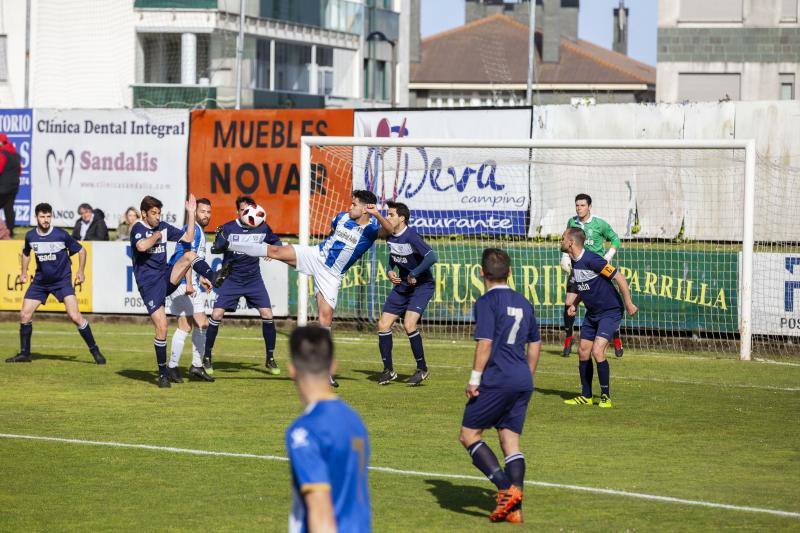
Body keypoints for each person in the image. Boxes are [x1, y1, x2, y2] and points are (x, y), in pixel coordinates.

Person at [213, 190, 393, 387]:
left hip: (331, 275)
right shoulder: (341, 218)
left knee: (325, 320)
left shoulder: (371, 229)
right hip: (315, 255)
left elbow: (390, 231)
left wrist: (376, 214)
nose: (350, 207)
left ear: (366, 208)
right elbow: (333, 236)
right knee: (275, 251)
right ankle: (227, 243)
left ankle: (324, 371)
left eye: (354, 204)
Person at [459, 248, 541, 524]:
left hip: (497, 379)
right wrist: (527, 375)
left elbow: (485, 343)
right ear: (510, 273)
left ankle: (506, 489)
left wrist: (474, 379)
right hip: (521, 379)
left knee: (469, 435)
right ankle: (514, 510)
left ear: (481, 273)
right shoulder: (523, 301)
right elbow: (536, 343)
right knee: (510, 441)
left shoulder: (485, 302)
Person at [130, 194, 230, 388]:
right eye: (153, 213)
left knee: (189, 255)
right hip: (149, 286)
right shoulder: (138, 228)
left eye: (159, 213)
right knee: (162, 328)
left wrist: (191, 213)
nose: (157, 217)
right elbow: (141, 247)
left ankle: (212, 276)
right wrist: (157, 235)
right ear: (144, 214)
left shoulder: (163, 226)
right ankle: (163, 373)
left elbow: (188, 237)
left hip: (166, 277)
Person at [286, 326, 371, 533]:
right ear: (333, 366)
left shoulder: (304, 432)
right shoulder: (355, 420)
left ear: (291, 370)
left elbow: (321, 512)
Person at [6, 203, 106, 364]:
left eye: (48, 216)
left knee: (74, 316)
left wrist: (81, 271)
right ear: (36, 217)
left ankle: (95, 350)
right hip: (40, 282)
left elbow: (82, 251)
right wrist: (24, 272)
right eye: (42, 217)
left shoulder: (61, 234)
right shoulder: (31, 236)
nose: (45, 220)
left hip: (62, 281)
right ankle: (25, 354)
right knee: (24, 314)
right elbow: (26, 253)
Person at [204, 195, 283, 376]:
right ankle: (207, 356)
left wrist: (273, 252)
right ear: (237, 211)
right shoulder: (228, 227)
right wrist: (222, 241)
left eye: (249, 209)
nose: (247, 213)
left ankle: (270, 358)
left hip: (253, 279)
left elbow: (276, 242)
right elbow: (215, 247)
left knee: (267, 314)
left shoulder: (262, 226)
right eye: (243, 210)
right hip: (231, 277)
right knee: (216, 314)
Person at [561, 227, 638, 408]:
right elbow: (585, 285)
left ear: (571, 242)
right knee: (583, 352)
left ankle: (605, 396)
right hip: (593, 313)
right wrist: (575, 303)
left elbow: (619, 277)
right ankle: (586, 396)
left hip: (610, 311)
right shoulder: (575, 261)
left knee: (597, 351)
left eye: (563, 238)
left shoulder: (592, 259)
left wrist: (628, 303)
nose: (561, 241)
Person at [375, 201, 438, 386]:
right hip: (402, 286)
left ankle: (422, 369)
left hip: (422, 286)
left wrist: (414, 273)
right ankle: (388, 371)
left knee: (409, 324)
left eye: (391, 214)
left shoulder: (411, 236)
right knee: (383, 324)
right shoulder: (390, 236)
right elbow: (392, 257)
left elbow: (432, 257)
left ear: (402, 218)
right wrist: (389, 270)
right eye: (387, 214)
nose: (388, 217)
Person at [560, 194, 624, 357]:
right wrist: (565, 256)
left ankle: (616, 338)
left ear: (589, 207)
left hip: (596, 271)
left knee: (605, 306)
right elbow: (567, 241)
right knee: (568, 303)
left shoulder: (599, 224)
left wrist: (608, 257)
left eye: (582, 205)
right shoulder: (571, 222)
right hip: (578, 270)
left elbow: (615, 239)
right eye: (577, 205)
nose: (579, 208)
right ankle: (568, 339)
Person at [166, 197, 214, 383]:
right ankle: (178, 367)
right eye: (202, 211)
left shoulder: (200, 232)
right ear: (195, 212)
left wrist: (201, 277)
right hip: (183, 283)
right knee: (191, 325)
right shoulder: (192, 230)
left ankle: (193, 366)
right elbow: (186, 256)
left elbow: (194, 260)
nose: (206, 215)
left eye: (208, 212)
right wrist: (188, 283)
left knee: (197, 325)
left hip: (190, 281)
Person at [0, 133, 21, 234]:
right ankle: (11, 231)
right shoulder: (16, 155)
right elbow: (20, 171)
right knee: (9, 208)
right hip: (13, 187)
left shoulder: (2, 154)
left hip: (2, 187)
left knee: (8, 208)